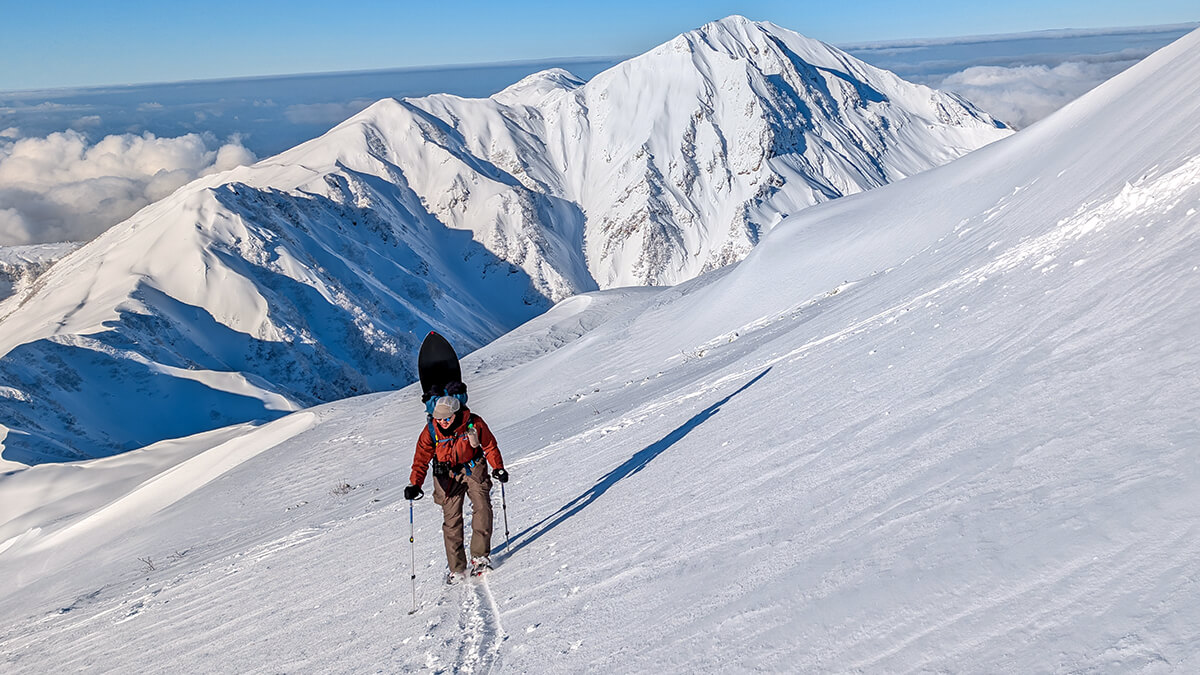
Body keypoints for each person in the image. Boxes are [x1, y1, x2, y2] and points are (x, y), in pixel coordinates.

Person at [404, 394, 508, 583]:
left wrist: (498, 468)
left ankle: (480, 556)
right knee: (451, 520)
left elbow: (490, 446)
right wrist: (415, 484)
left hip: (473, 467)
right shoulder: (430, 431)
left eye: (447, 418)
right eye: (439, 419)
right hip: (446, 476)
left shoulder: (473, 423)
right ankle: (457, 568)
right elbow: (421, 460)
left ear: (456, 414)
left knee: (482, 507)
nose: (443, 422)